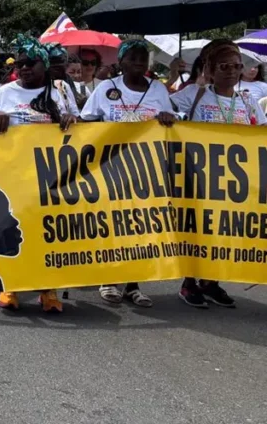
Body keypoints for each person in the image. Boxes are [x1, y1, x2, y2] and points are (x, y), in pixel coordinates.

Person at [80, 40, 176, 307]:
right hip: (111, 168)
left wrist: (168, 118)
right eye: (132, 57)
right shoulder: (106, 88)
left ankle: (133, 285)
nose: (138, 62)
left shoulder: (157, 89)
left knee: (139, 227)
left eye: (143, 58)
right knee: (113, 224)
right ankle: (109, 279)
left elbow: (171, 119)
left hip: (147, 169)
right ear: (120, 62)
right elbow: (87, 120)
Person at [0, 36, 76, 312]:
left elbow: (79, 127)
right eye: (20, 64)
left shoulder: (60, 90)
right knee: (13, 228)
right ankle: (11, 284)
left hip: (51, 175)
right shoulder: (5, 92)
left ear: (45, 66)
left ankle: (48, 289)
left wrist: (71, 120)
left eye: (31, 63)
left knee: (47, 232)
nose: (24, 68)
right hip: (13, 173)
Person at [171, 42, 266, 308]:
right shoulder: (195, 94)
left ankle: (210, 282)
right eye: (224, 66)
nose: (232, 71)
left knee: (225, 231)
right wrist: (169, 114)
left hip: (236, 181)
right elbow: (161, 109)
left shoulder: (247, 100)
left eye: (237, 66)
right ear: (210, 70)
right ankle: (189, 283)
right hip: (200, 178)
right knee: (197, 230)